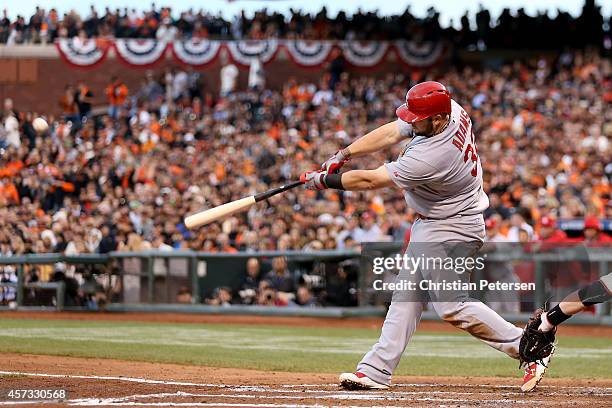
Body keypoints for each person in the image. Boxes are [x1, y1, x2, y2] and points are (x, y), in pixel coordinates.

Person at [301, 81, 548, 392]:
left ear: (437, 120)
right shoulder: (450, 111)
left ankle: (529, 346)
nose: (411, 121)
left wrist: (324, 180)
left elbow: (370, 180)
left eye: (417, 118)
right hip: (438, 221)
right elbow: (394, 130)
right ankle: (376, 370)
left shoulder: (433, 156)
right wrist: (345, 152)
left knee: (451, 305)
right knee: (406, 296)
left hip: (454, 226)